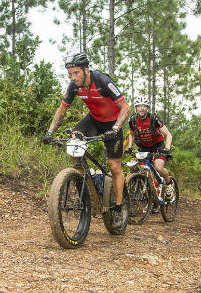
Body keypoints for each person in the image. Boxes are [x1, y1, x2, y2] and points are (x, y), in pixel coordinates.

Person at [42, 52, 131, 228]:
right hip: (93, 120)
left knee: (114, 167)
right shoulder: (74, 87)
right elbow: (61, 111)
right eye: (70, 74)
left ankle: (119, 207)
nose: (73, 77)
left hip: (113, 123)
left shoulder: (102, 80)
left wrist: (115, 129)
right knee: (74, 143)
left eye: (76, 73)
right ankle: (89, 183)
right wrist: (50, 133)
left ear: (86, 70)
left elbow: (126, 107)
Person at [125, 96, 174, 199]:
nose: (142, 108)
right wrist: (129, 147)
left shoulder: (153, 118)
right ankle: (155, 197)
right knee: (145, 170)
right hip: (143, 147)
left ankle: (169, 183)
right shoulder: (133, 120)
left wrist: (167, 149)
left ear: (147, 108)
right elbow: (132, 134)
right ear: (136, 108)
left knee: (158, 167)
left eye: (144, 106)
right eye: (139, 106)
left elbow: (168, 134)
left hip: (157, 145)